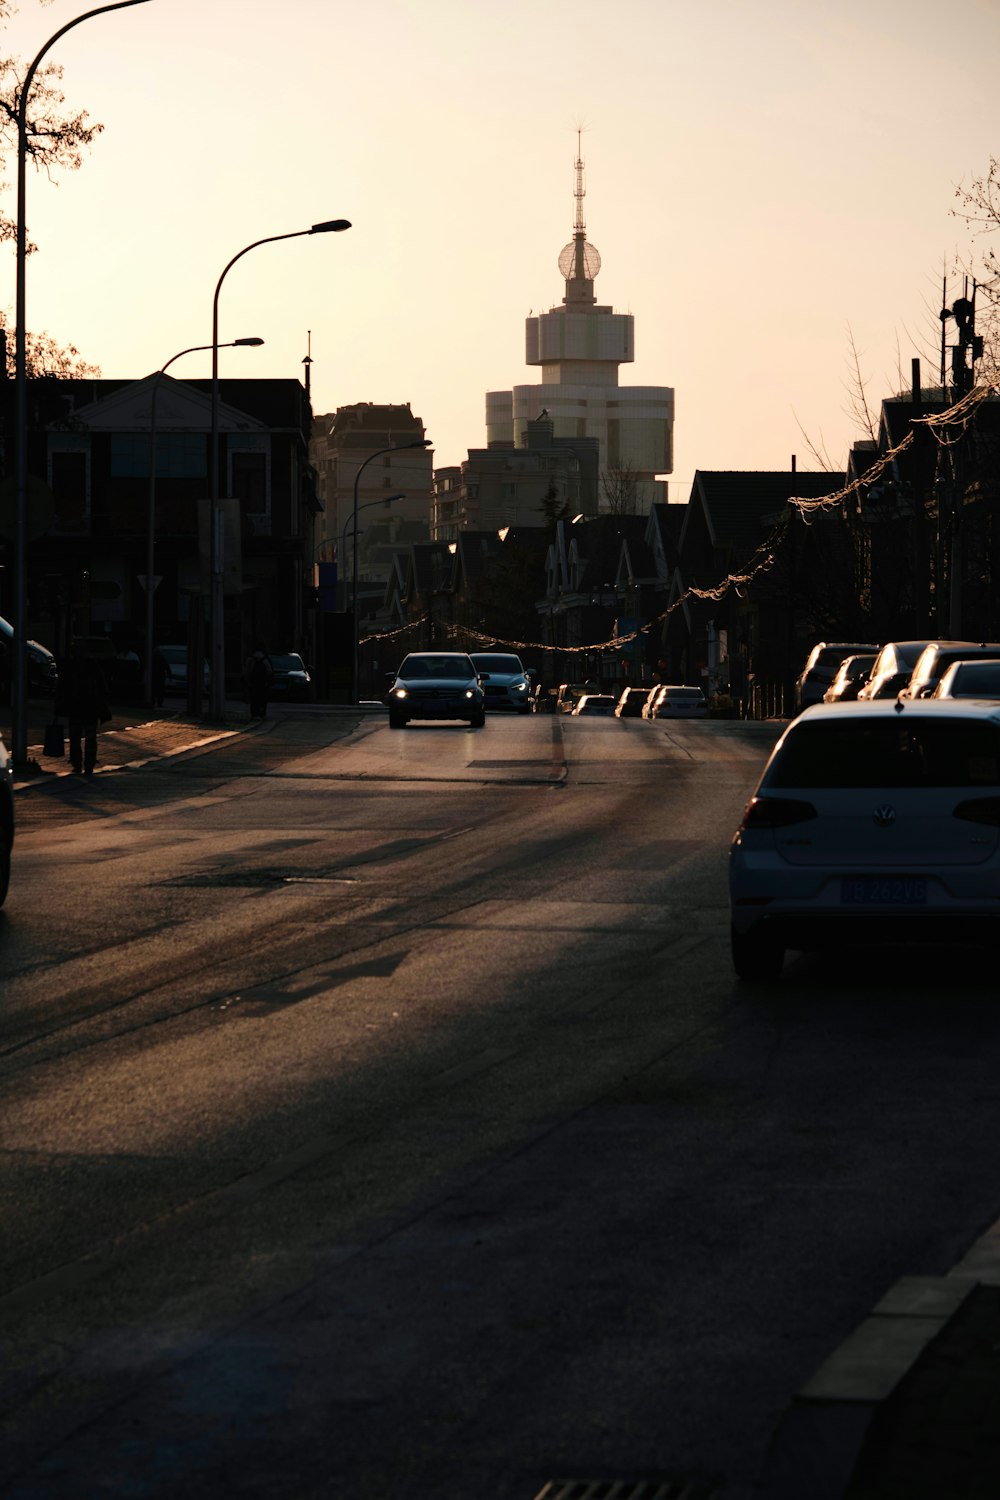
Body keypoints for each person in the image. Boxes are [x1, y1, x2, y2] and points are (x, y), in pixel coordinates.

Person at [56, 643, 110, 778]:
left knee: (76, 737)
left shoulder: (71, 666)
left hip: (78, 708)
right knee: (88, 738)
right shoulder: (91, 666)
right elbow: (102, 687)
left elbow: (62, 688)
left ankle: (79, 763)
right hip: (89, 708)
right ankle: (87, 763)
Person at [244, 644, 274, 718]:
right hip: (263, 683)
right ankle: (262, 713)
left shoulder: (250, 659)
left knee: (254, 699)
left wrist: (247, 681)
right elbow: (269, 671)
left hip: (253, 682)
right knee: (263, 698)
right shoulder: (265, 659)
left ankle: (254, 714)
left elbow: (247, 672)